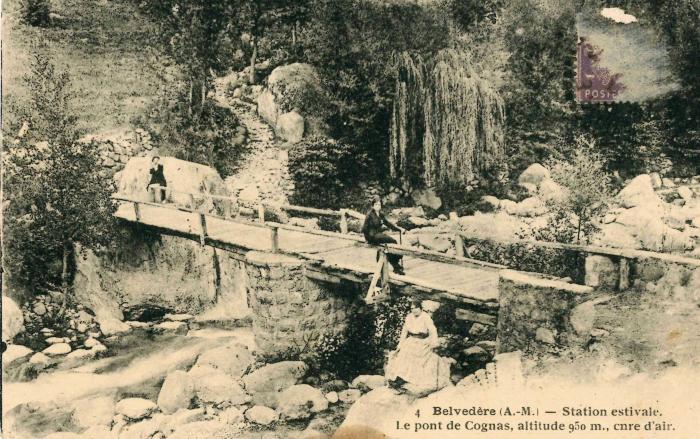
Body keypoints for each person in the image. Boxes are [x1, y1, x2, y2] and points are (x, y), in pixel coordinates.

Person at [385, 299, 452, 395]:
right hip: (412, 339)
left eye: (416, 308)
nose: (414, 310)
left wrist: (434, 343)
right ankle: (398, 378)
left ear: (420, 308)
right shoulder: (409, 317)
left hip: (423, 341)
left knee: (414, 355)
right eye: (412, 308)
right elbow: (404, 331)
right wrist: (400, 344)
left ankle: (409, 379)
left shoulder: (426, 317)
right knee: (403, 353)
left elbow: (432, 330)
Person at [362, 196, 406, 275]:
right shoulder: (369, 215)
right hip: (372, 236)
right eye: (376, 204)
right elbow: (364, 228)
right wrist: (367, 239)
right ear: (372, 206)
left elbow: (388, 223)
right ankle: (397, 261)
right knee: (392, 241)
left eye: (379, 205)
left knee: (387, 248)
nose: (378, 206)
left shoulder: (381, 214)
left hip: (378, 235)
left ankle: (395, 266)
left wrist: (398, 229)